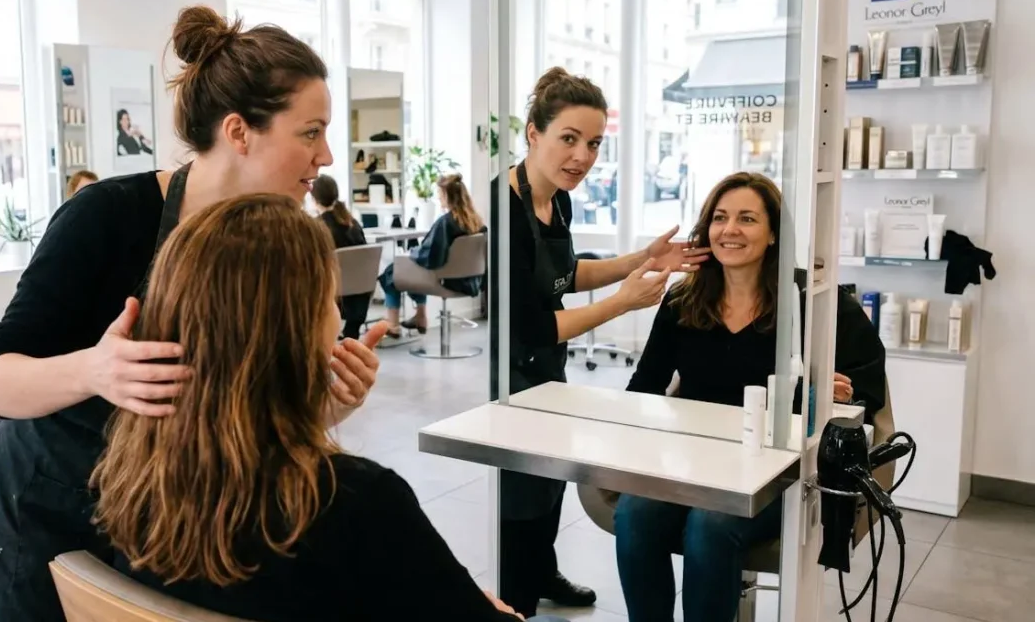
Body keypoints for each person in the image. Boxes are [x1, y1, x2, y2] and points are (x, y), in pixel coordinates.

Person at [0, 5, 388, 622]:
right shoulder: (107, 217)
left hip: (169, 512)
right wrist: (92, 371)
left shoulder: (279, 240)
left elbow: (245, 409)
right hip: (47, 503)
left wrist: (328, 404)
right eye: (310, 131)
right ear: (239, 132)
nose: (325, 157)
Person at [94, 193, 564, 622]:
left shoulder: (130, 481)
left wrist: (312, 415)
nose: (340, 316)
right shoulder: (353, 502)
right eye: (329, 298)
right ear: (292, 325)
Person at [617, 171, 886, 622]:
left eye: (747, 218)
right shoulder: (682, 302)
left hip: (777, 473)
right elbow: (644, 387)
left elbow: (865, 388)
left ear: (774, 232)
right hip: (694, 462)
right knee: (636, 513)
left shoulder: (815, 302)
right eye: (720, 218)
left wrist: (831, 396)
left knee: (712, 523)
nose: (730, 230)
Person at [495, 66, 711, 618]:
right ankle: (516, 600)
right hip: (510, 373)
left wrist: (643, 258)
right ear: (533, 133)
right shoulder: (506, 208)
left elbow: (568, 276)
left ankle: (543, 574)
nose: (582, 157)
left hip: (547, 368)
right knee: (521, 496)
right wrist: (625, 303)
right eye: (569, 139)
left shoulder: (558, 201)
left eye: (592, 143)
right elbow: (534, 325)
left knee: (552, 479)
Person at [377, 173, 485, 339]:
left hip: (445, 280)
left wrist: (411, 253)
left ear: (447, 196)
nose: (439, 199)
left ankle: (393, 325)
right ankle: (420, 317)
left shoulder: (446, 222)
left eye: (440, 195)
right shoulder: (477, 222)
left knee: (391, 273)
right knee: (410, 270)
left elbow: (432, 258)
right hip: (469, 281)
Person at [311, 173, 371, 339]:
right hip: (359, 296)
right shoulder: (352, 223)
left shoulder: (315, 228)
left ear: (314, 199)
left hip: (332, 295)